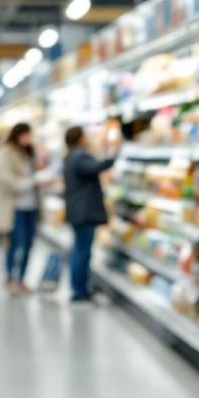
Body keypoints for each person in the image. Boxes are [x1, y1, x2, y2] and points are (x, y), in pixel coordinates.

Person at [63, 125, 117, 303]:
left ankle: (81, 288)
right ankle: (79, 291)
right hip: (83, 210)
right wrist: (112, 155)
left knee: (80, 249)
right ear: (79, 138)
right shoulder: (79, 156)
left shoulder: (70, 156)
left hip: (77, 209)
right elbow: (95, 167)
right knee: (82, 251)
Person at [0, 123, 39, 295]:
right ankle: (10, 278)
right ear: (18, 135)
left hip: (31, 205)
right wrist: (29, 182)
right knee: (16, 243)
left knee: (29, 243)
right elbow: (4, 178)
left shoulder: (29, 152)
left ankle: (21, 279)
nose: (29, 139)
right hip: (13, 207)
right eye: (26, 135)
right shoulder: (5, 153)